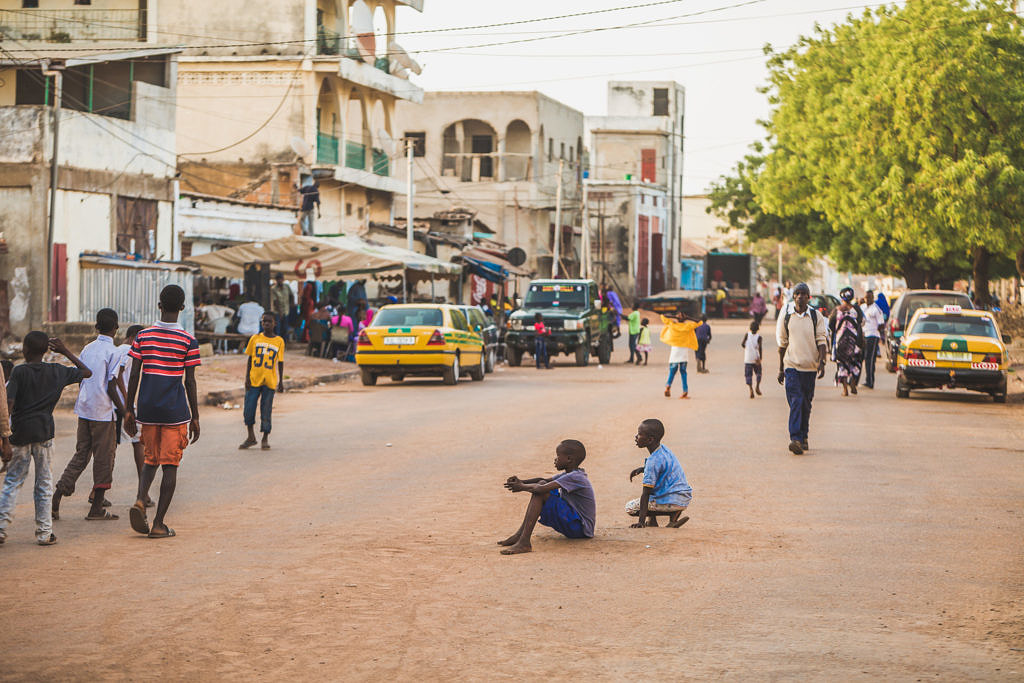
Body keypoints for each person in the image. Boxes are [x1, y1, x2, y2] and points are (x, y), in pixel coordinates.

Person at [124, 285, 201, 539]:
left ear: (159, 306)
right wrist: (196, 417)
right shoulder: (188, 340)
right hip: (174, 411)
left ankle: (139, 499)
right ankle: (158, 524)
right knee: (170, 466)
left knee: (150, 459)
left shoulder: (143, 336)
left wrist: (128, 410)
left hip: (147, 409)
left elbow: (134, 374)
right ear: (182, 307)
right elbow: (189, 381)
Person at [0, 334, 91, 546]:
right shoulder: (57, 370)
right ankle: (44, 532)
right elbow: (87, 372)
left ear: (25, 349)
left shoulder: (19, 371)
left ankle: (1, 528)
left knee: (12, 482)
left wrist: (4, 437)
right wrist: (65, 351)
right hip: (44, 434)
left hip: (20, 433)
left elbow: (10, 402)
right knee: (44, 484)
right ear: (45, 351)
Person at [52, 308, 126, 522]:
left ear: (96, 327)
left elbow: (82, 375)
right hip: (102, 411)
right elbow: (112, 386)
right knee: (104, 458)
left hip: (85, 408)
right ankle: (96, 508)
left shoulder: (88, 348)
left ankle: (58, 494)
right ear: (116, 328)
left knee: (81, 454)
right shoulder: (114, 352)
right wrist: (125, 411)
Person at [498, 439, 595, 555]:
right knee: (542, 485)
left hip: (580, 528)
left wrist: (522, 487)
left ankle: (524, 541)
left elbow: (540, 489)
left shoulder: (575, 477)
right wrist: (522, 481)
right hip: (575, 523)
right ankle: (520, 536)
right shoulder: (569, 474)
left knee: (541, 491)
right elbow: (542, 480)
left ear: (569, 459)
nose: (555, 459)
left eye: (558, 456)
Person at [776, 282, 828, 455]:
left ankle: (804, 435)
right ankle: (795, 438)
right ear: (794, 296)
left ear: (808, 297)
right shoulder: (787, 317)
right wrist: (780, 368)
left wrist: (822, 362)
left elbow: (821, 340)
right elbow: (782, 344)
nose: (799, 296)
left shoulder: (815, 317)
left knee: (806, 403)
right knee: (796, 401)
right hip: (791, 366)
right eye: (797, 293)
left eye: (803, 294)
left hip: (810, 368)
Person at [112, 325, 151, 508]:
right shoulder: (129, 350)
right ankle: (143, 493)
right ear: (134, 337)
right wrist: (128, 402)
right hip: (123, 405)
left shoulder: (117, 349)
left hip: (112, 406)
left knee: (109, 448)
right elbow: (118, 376)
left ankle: (97, 491)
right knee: (138, 444)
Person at [625, 418, 691, 528]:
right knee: (655, 488)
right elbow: (663, 469)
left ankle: (671, 513)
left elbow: (645, 494)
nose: (636, 437)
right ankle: (665, 519)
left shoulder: (653, 461)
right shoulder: (664, 449)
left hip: (672, 502)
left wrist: (641, 522)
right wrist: (643, 469)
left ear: (650, 440)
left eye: (640, 434)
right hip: (683, 497)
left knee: (630, 507)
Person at [240, 313, 286, 451]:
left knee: (266, 409)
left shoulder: (279, 341)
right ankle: (251, 436)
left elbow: (280, 362)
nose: (266, 324)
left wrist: (281, 381)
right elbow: (250, 359)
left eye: (269, 321)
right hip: (254, 380)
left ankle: (265, 438)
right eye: (264, 321)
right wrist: (247, 377)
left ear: (274, 324)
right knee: (249, 409)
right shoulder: (255, 338)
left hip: (270, 381)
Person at [829, 287, 864, 397]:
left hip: (841, 341)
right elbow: (861, 322)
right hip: (854, 341)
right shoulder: (856, 309)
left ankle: (845, 390)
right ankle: (853, 382)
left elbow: (831, 324)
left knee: (842, 364)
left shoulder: (837, 310)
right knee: (855, 362)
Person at [660, 309, 699, 399]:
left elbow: (663, 316)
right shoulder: (688, 326)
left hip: (675, 351)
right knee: (683, 372)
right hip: (683, 353)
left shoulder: (672, 324)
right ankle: (685, 391)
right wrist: (688, 318)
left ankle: (668, 386)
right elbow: (699, 322)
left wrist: (674, 316)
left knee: (672, 371)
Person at [861, 290, 885, 389]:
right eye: (866, 297)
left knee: (870, 359)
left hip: (873, 336)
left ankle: (870, 381)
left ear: (873, 298)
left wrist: (876, 331)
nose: (867, 299)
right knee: (864, 358)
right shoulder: (863, 308)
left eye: (869, 298)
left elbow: (881, 324)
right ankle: (867, 379)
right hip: (864, 336)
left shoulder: (876, 309)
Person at [742, 320, 764, 399]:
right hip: (756, 358)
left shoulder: (747, 335)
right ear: (758, 328)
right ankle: (757, 386)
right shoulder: (759, 337)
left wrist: (747, 348)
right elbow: (760, 348)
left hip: (748, 358)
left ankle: (751, 389)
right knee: (758, 373)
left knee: (748, 375)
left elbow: (742, 344)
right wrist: (760, 358)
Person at [270, 273, 294, 341]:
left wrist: (292, 304)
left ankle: (284, 342)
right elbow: (275, 302)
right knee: (278, 328)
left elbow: (291, 295)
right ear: (276, 280)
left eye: (281, 279)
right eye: (278, 279)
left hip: (286, 310)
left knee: (285, 328)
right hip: (277, 311)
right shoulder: (273, 289)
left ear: (283, 280)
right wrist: (280, 312)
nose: (280, 281)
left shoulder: (287, 287)